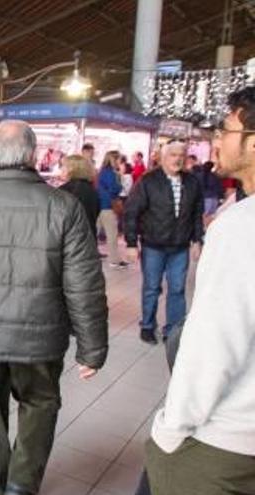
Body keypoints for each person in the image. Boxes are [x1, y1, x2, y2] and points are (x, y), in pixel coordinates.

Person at [0, 120, 108, 495]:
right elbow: (84, 285)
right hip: (41, 338)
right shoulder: (65, 207)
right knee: (40, 404)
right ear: (31, 156)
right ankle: (21, 485)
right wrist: (92, 348)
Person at [144, 86, 255, 495]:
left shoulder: (242, 226)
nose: (215, 139)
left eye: (225, 129)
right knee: (156, 291)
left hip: (225, 440)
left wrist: (172, 430)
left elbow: (215, 343)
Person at [124, 141, 204, 345]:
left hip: (180, 247)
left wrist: (197, 240)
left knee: (177, 289)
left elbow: (196, 213)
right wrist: (132, 243)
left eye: (181, 155)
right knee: (151, 288)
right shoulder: (148, 181)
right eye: (172, 155)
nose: (177, 159)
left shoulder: (192, 182)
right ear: (162, 157)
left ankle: (173, 330)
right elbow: (131, 212)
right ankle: (148, 326)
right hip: (153, 246)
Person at [96, 150, 128, 268]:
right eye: (119, 159)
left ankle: (92, 255)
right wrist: (120, 181)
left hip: (99, 205)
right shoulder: (111, 173)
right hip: (108, 206)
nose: (120, 161)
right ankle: (114, 259)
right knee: (112, 234)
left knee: (94, 232)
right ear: (114, 159)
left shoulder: (102, 171)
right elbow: (114, 189)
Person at [59, 154, 99, 237]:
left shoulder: (67, 190)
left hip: (72, 237)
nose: (61, 169)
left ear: (73, 169)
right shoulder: (90, 188)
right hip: (89, 236)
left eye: (64, 166)